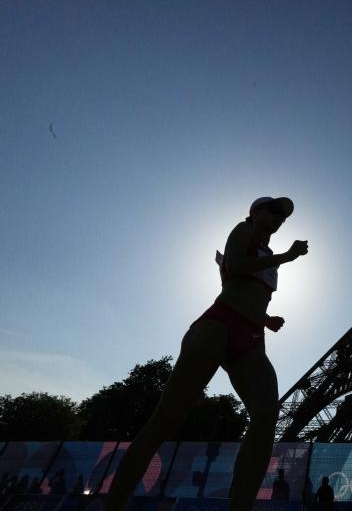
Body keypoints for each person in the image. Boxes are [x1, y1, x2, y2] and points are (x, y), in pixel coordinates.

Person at [104, 197, 308, 511]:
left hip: (252, 336)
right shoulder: (244, 230)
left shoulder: (269, 256)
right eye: (273, 209)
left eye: (284, 214)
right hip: (218, 326)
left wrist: (267, 318)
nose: (280, 216)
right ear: (255, 213)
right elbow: (234, 266)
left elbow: (249, 290)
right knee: (165, 421)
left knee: (266, 416)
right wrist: (287, 256)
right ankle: (113, 506)